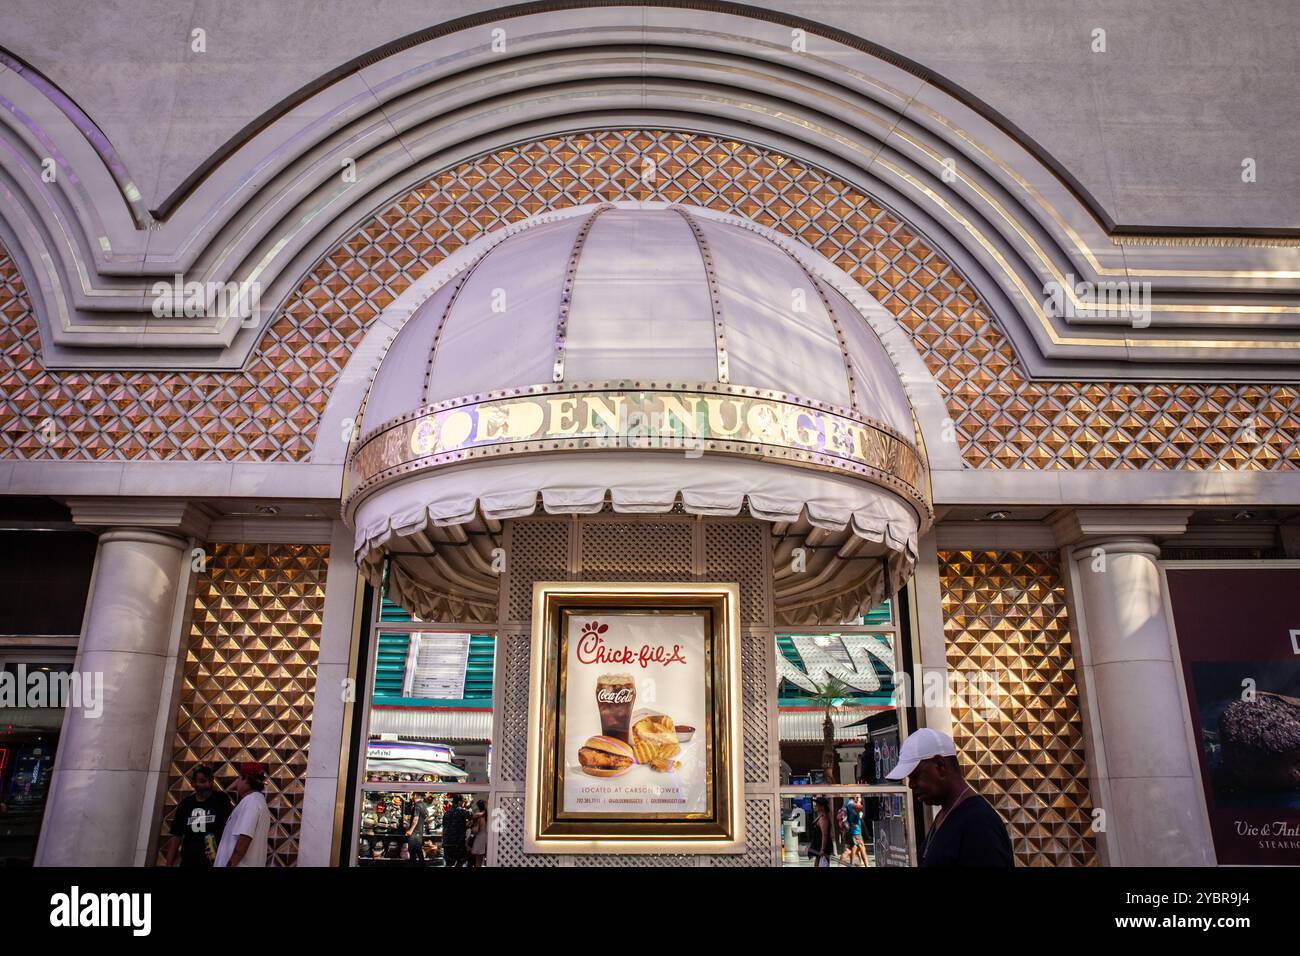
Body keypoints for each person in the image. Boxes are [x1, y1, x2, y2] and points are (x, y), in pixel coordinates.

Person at [886, 729, 1013, 867]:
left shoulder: (979, 823)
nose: (911, 785)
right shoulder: (946, 813)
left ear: (940, 766)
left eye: (915, 775)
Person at [165, 764, 232, 867]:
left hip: (214, 861)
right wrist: (169, 863)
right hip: (189, 861)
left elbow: (230, 829)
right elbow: (176, 835)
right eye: (201, 781)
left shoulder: (221, 800)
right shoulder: (186, 804)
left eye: (209, 781)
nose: (206, 785)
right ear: (193, 783)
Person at [214, 762, 272, 868]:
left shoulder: (251, 802)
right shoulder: (256, 801)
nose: (236, 783)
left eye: (239, 778)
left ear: (245, 779)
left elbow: (244, 839)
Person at [439, 793, 471, 867]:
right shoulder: (462, 812)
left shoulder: (446, 813)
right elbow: (472, 816)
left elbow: (444, 828)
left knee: (448, 864)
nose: (463, 803)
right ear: (459, 802)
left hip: (448, 843)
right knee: (460, 861)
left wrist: (443, 841)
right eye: (463, 802)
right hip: (458, 843)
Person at [839, 794, 869, 867]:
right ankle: (866, 865)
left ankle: (848, 864)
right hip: (855, 831)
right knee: (861, 847)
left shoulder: (848, 804)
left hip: (851, 830)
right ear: (855, 797)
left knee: (852, 848)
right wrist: (859, 801)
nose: (859, 798)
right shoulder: (851, 804)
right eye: (858, 797)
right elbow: (860, 807)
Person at [809, 796, 836, 867]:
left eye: (817, 804)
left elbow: (825, 835)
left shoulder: (824, 818)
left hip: (823, 845)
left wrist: (822, 849)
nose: (815, 806)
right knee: (818, 863)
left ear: (822, 807)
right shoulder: (820, 816)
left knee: (823, 863)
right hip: (818, 844)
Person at [404, 794, 429, 865]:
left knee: (412, 853)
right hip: (419, 832)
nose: (411, 797)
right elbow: (427, 817)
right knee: (419, 852)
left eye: (412, 795)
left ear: (415, 795)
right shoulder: (424, 805)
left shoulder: (417, 806)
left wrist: (410, 830)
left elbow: (415, 819)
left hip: (414, 833)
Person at [468, 799, 488, 867]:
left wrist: (471, 827)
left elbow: (476, 830)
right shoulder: (488, 816)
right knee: (487, 861)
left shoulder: (478, 816)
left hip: (480, 839)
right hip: (488, 839)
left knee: (478, 862)